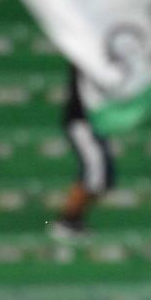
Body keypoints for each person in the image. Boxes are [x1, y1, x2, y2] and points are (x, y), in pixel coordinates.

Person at [48, 65, 115, 239]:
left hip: (90, 121)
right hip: (82, 121)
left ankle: (73, 219)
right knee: (96, 174)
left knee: (101, 176)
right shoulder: (86, 57)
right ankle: (68, 219)